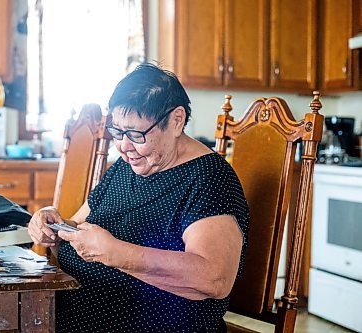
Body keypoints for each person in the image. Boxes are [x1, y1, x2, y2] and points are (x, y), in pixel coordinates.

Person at [28, 63, 250, 333]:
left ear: (176, 120)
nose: (123, 145)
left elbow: (215, 277)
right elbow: (75, 227)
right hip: (71, 316)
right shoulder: (128, 165)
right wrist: (52, 223)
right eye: (118, 132)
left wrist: (116, 254)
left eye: (136, 134)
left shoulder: (209, 178)